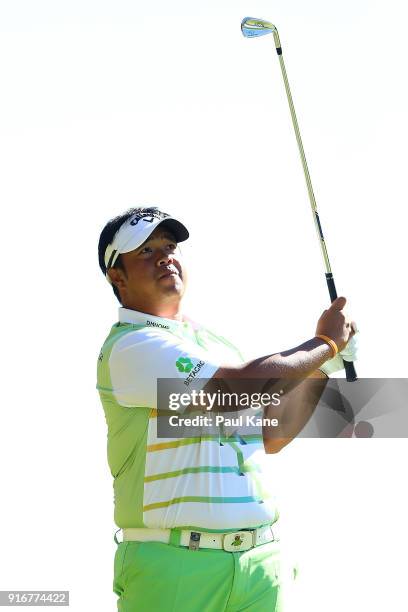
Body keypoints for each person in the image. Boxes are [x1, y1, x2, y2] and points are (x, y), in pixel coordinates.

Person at [96, 206, 357, 611]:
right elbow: (236, 389)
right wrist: (325, 343)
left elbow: (271, 433)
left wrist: (323, 365)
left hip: (260, 562)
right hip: (176, 568)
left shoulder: (215, 345)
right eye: (146, 251)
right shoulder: (131, 346)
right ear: (117, 276)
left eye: (169, 246)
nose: (165, 256)